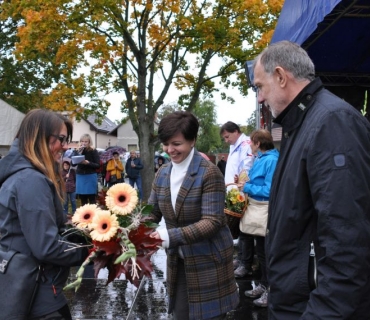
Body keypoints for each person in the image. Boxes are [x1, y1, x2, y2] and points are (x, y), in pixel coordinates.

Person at [253, 40, 370, 319]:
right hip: (297, 302)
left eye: (259, 86)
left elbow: (347, 241)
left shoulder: (331, 123)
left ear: (281, 76)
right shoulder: (303, 124)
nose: (259, 98)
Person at [149, 111, 239, 320]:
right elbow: (151, 212)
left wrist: (168, 237)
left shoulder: (209, 172)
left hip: (208, 260)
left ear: (193, 141)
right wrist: (130, 228)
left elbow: (213, 221)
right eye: (165, 144)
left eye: (176, 144)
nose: (170, 150)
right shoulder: (162, 172)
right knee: (181, 314)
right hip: (178, 261)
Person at [0, 109, 88, 319]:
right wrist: (91, 250)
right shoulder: (30, 180)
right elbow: (46, 247)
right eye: (61, 139)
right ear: (39, 136)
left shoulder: (18, 173)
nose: (65, 146)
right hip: (38, 291)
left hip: (27, 285)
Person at [236, 129, 279, 308]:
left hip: (265, 211)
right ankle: (264, 285)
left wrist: (247, 187)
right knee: (262, 252)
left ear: (258, 144)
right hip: (259, 210)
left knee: (267, 253)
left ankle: (271, 291)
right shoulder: (262, 158)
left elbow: (270, 190)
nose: (250, 146)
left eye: (251, 143)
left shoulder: (271, 160)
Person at [220, 121, 255, 278]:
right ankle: (241, 257)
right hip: (233, 189)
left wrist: (240, 185)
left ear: (235, 131)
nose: (226, 140)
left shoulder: (246, 143)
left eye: (227, 136)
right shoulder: (234, 145)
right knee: (238, 226)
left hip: (240, 191)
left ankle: (245, 262)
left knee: (242, 225)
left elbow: (246, 166)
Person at [75, 134, 100, 206]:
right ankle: (84, 216)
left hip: (90, 175)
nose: (83, 143)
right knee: (83, 199)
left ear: (89, 142)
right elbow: (72, 164)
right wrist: (78, 154)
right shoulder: (77, 150)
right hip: (80, 175)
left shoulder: (93, 151)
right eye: (82, 141)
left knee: (92, 199)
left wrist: (88, 163)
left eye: (86, 141)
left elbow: (98, 165)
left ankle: (94, 215)